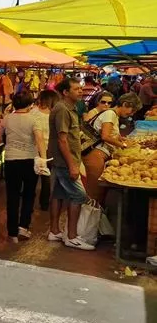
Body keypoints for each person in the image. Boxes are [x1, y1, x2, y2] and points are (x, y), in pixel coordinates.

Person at [47, 77, 93, 250]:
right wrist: (72, 165)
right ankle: (72, 237)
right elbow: (62, 140)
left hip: (66, 160)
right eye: (76, 89)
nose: (80, 91)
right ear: (65, 92)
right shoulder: (62, 109)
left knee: (59, 195)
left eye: (80, 88)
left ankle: (54, 231)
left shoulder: (70, 108)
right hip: (65, 161)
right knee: (79, 196)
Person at [0, 90, 47, 242]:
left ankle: (12, 232)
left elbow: (1, 137)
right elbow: (40, 140)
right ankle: (23, 227)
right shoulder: (34, 119)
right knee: (28, 194)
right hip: (29, 160)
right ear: (30, 104)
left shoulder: (7, 118)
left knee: (12, 195)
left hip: (11, 160)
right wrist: (43, 160)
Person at [83, 93, 141, 204]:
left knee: (98, 190)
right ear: (125, 104)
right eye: (132, 110)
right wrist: (123, 145)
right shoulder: (110, 114)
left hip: (99, 154)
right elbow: (105, 136)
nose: (132, 114)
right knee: (94, 191)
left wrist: (119, 138)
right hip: (95, 154)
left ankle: (96, 212)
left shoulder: (113, 115)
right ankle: (89, 213)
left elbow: (109, 134)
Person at [31, 89, 59, 211]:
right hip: (50, 150)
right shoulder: (56, 114)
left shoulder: (33, 112)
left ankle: (29, 201)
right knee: (46, 178)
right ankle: (44, 203)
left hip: (34, 148)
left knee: (32, 177)